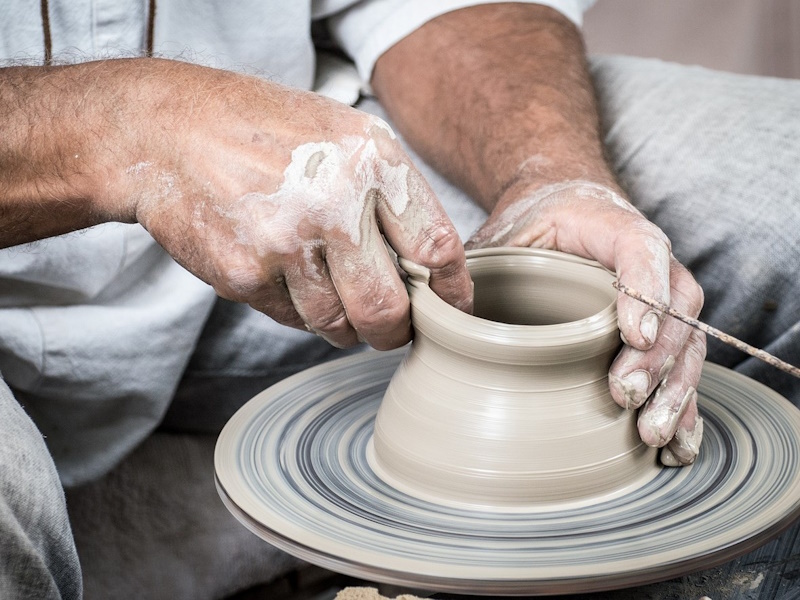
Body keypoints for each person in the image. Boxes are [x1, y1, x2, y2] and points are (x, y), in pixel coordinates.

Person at [0, 1, 797, 598]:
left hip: (303, 180)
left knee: (781, 200)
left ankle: (207, 524)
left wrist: (549, 169)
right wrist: (121, 127)